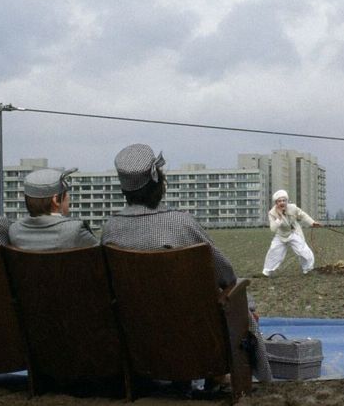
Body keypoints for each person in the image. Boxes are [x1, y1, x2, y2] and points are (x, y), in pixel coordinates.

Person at [101, 143, 272, 384]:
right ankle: (221, 376)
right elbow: (226, 276)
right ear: (157, 181)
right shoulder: (181, 224)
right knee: (239, 299)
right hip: (194, 337)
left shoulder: (110, 230)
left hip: (139, 339)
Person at [8, 167, 97, 251]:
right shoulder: (75, 231)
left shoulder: (14, 230)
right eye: (66, 193)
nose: (68, 197)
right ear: (56, 200)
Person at [262, 189, 321, 276]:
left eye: (284, 200)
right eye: (279, 201)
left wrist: (312, 222)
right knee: (274, 251)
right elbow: (273, 229)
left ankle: (308, 269)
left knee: (303, 250)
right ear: (276, 203)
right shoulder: (272, 213)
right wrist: (280, 217)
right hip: (281, 235)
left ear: (286, 201)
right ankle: (267, 272)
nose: (282, 203)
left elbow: (302, 215)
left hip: (294, 233)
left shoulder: (293, 208)